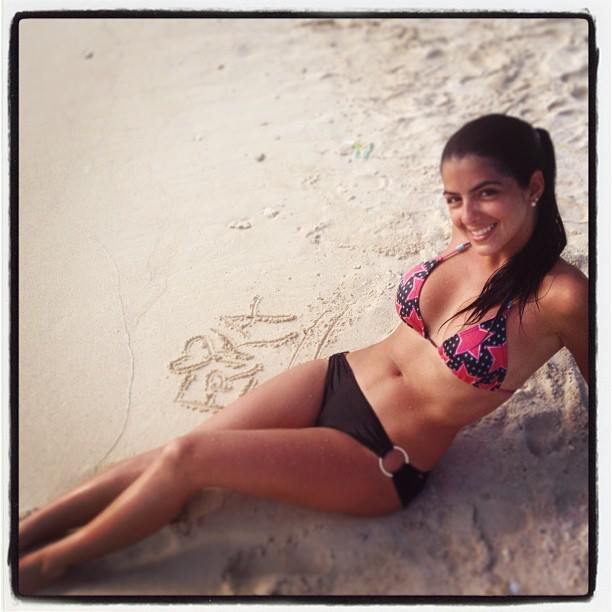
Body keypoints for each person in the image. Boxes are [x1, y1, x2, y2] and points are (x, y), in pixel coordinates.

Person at [18, 114, 589, 594]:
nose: (468, 214)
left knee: (187, 458)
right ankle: (31, 529)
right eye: (454, 198)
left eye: (487, 192)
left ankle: (49, 563)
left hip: (380, 455)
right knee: (169, 454)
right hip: (336, 377)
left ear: (533, 186)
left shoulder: (561, 296)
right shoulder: (466, 238)